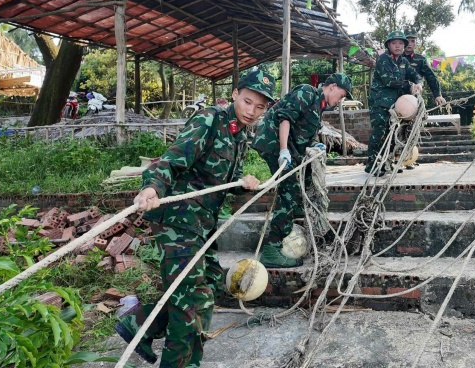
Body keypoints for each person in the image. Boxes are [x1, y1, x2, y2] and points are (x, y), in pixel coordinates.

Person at [115, 70, 275, 367]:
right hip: (179, 220)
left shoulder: (240, 134)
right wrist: (152, 187)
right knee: (192, 301)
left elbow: (223, 181)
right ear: (235, 94)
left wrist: (244, 184)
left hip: (202, 224)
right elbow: (172, 159)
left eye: (260, 107)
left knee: (210, 284)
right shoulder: (210, 120)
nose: (252, 111)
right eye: (248, 102)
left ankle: (141, 324)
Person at [251, 72, 353, 268]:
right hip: (273, 143)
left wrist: (316, 145)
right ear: (332, 87)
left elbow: (307, 133)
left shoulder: (319, 107)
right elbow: (285, 119)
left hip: (290, 149)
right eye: (341, 95)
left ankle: (297, 208)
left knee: (305, 180)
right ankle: (272, 249)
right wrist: (282, 150)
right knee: (288, 191)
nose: (340, 100)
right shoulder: (307, 92)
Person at [365, 30, 423, 176]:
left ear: (404, 45)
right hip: (380, 103)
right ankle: (371, 164)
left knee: (393, 134)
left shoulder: (403, 61)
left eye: (400, 43)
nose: (397, 46)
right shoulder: (383, 59)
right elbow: (388, 81)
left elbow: (414, 74)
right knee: (379, 132)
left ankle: (387, 163)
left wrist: (418, 82)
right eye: (394, 43)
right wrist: (409, 84)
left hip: (395, 105)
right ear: (388, 45)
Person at [404, 28, 447, 169]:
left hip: (415, 99)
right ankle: (395, 158)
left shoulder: (420, 60)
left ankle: (409, 158)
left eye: (413, 41)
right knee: (396, 128)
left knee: (413, 128)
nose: (410, 44)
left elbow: (431, 77)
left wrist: (438, 94)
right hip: (398, 98)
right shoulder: (395, 58)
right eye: (407, 40)